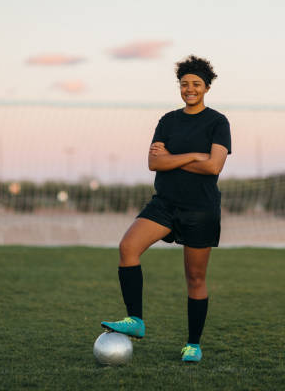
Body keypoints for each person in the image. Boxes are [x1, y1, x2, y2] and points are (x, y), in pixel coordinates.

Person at [101, 55, 231, 363]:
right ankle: (136, 319)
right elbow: (153, 162)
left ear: (207, 87)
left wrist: (174, 156)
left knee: (195, 278)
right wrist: (194, 155)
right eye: (184, 84)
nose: (190, 89)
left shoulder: (218, 122)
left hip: (200, 210)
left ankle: (193, 345)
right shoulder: (168, 121)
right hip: (164, 204)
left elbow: (214, 166)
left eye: (196, 84)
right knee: (127, 247)